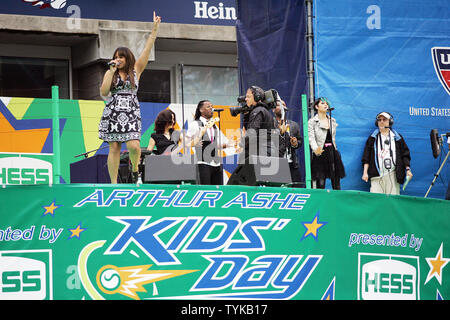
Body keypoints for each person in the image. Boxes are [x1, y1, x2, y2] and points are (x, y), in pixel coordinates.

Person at [98, 12, 161, 184]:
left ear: (127, 58)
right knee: (114, 147)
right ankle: (113, 183)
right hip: (113, 111)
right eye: (116, 56)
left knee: (133, 145)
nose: (117, 59)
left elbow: (147, 49)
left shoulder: (136, 70)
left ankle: (135, 171)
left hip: (131, 111)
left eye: (121, 57)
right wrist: (111, 72)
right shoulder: (109, 72)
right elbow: (103, 92)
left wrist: (155, 29)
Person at [361, 111, 413, 195]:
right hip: (376, 176)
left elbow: (405, 155)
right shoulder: (372, 138)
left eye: (384, 119)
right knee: (376, 201)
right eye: (379, 120)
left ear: (390, 122)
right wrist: (365, 173)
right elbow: (366, 157)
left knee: (392, 202)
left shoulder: (397, 138)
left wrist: (408, 169)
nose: (381, 121)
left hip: (393, 176)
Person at [186, 100, 231, 185]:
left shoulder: (214, 125)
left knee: (218, 189)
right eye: (208, 107)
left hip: (216, 163)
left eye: (212, 106)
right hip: (203, 162)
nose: (211, 108)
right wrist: (194, 143)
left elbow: (214, 144)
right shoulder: (195, 124)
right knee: (205, 189)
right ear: (201, 110)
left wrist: (228, 145)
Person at [308, 97, 345, 189]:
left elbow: (333, 137)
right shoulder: (312, 122)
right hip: (320, 151)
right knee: (321, 181)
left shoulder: (332, 120)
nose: (325, 105)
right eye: (322, 103)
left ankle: (337, 201)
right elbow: (311, 138)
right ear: (316, 106)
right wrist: (316, 149)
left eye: (326, 104)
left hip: (332, 151)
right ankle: (320, 201)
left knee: (336, 181)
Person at [240, 86, 276, 162]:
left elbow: (251, 133)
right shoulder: (263, 111)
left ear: (257, 97)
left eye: (248, 97)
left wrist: (240, 143)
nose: (246, 99)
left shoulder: (258, 111)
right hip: (264, 153)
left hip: (260, 154)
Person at [274, 100, 303, 186]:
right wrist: (280, 132)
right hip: (276, 164)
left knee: (297, 188)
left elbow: (299, 140)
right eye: (278, 105)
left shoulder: (294, 125)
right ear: (273, 109)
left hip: (292, 163)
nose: (281, 107)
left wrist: (295, 143)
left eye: (283, 105)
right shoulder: (270, 124)